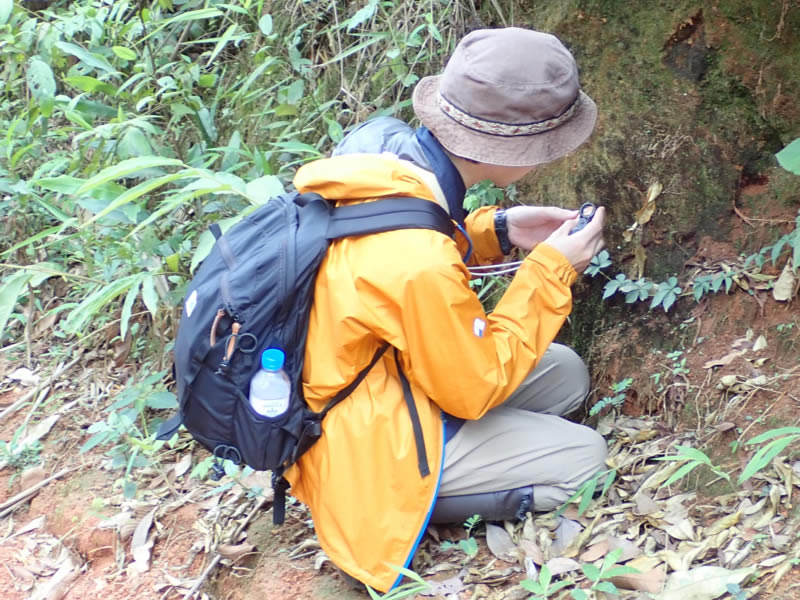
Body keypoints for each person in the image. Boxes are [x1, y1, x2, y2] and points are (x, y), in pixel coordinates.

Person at [283, 27, 608, 592]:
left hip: (375, 385)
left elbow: (405, 251)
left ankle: (480, 453)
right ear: (517, 148)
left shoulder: (385, 155)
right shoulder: (416, 255)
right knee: (585, 460)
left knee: (566, 375)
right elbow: (471, 385)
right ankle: (400, 502)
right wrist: (552, 268)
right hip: (365, 445)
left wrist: (498, 230)